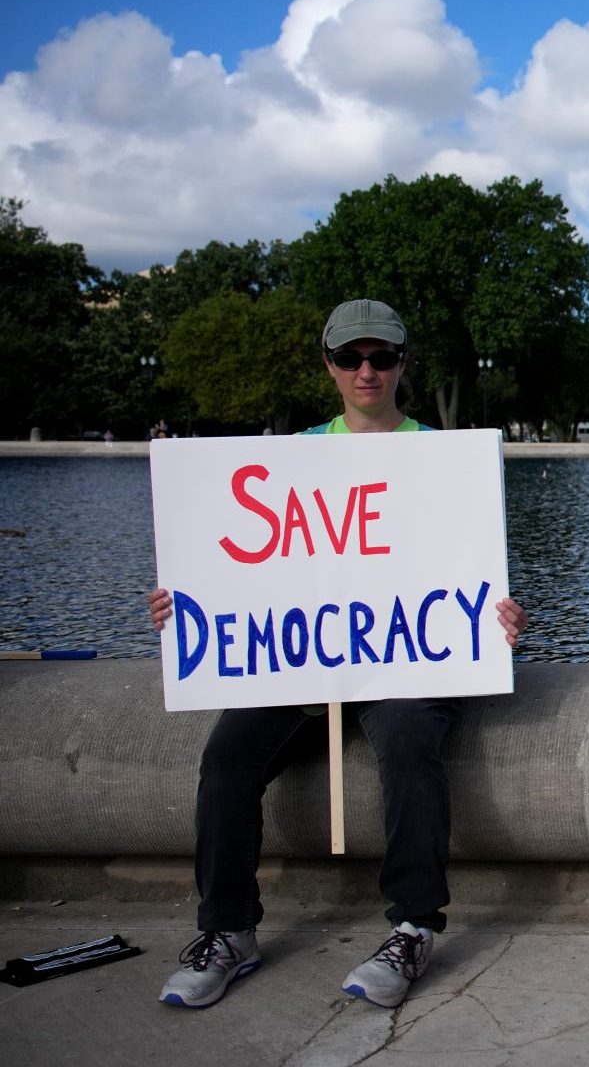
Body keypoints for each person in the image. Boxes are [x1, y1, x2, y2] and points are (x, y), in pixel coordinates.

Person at [149, 299, 527, 1010]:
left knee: (412, 735)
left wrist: (504, 614)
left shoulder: (442, 459)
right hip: (305, 659)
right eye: (351, 357)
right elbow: (247, 573)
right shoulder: (294, 458)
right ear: (328, 363)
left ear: (401, 364)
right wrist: (186, 604)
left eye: (381, 358)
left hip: (405, 657)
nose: (366, 371)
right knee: (227, 756)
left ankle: (414, 925)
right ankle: (227, 930)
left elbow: (478, 580)